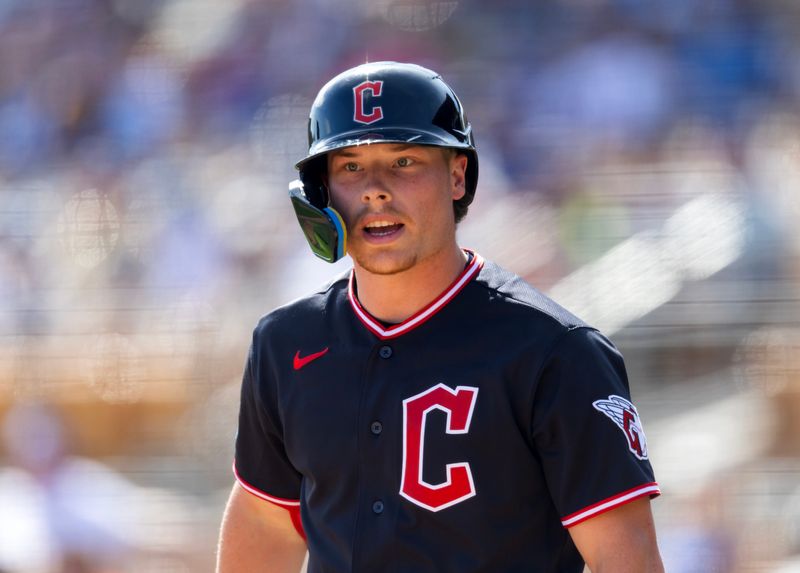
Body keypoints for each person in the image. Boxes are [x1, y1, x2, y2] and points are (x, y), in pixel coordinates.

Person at [217, 61, 663, 573]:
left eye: (404, 161)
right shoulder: (285, 343)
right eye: (350, 167)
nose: (375, 190)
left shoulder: (557, 352)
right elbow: (267, 518)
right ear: (320, 193)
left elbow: (626, 563)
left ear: (457, 175)